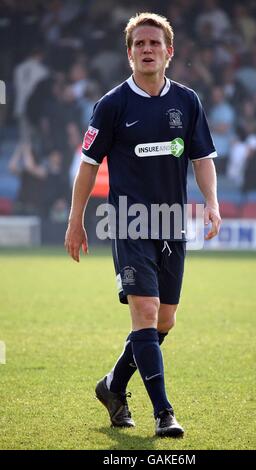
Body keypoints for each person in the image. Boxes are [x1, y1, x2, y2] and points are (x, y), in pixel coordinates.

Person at [65, 12, 221, 438]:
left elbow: (202, 158)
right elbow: (87, 166)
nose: (147, 50)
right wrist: (75, 220)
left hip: (171, 224)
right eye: (139, 44)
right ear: (129, 53)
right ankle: (164, 413)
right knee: (146, 313)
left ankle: (113, 385)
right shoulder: (112, 104)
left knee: (164, 322)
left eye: (155, 43)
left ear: (169, 52)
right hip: (129, 223)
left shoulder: (187, 101)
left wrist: (211, 202)